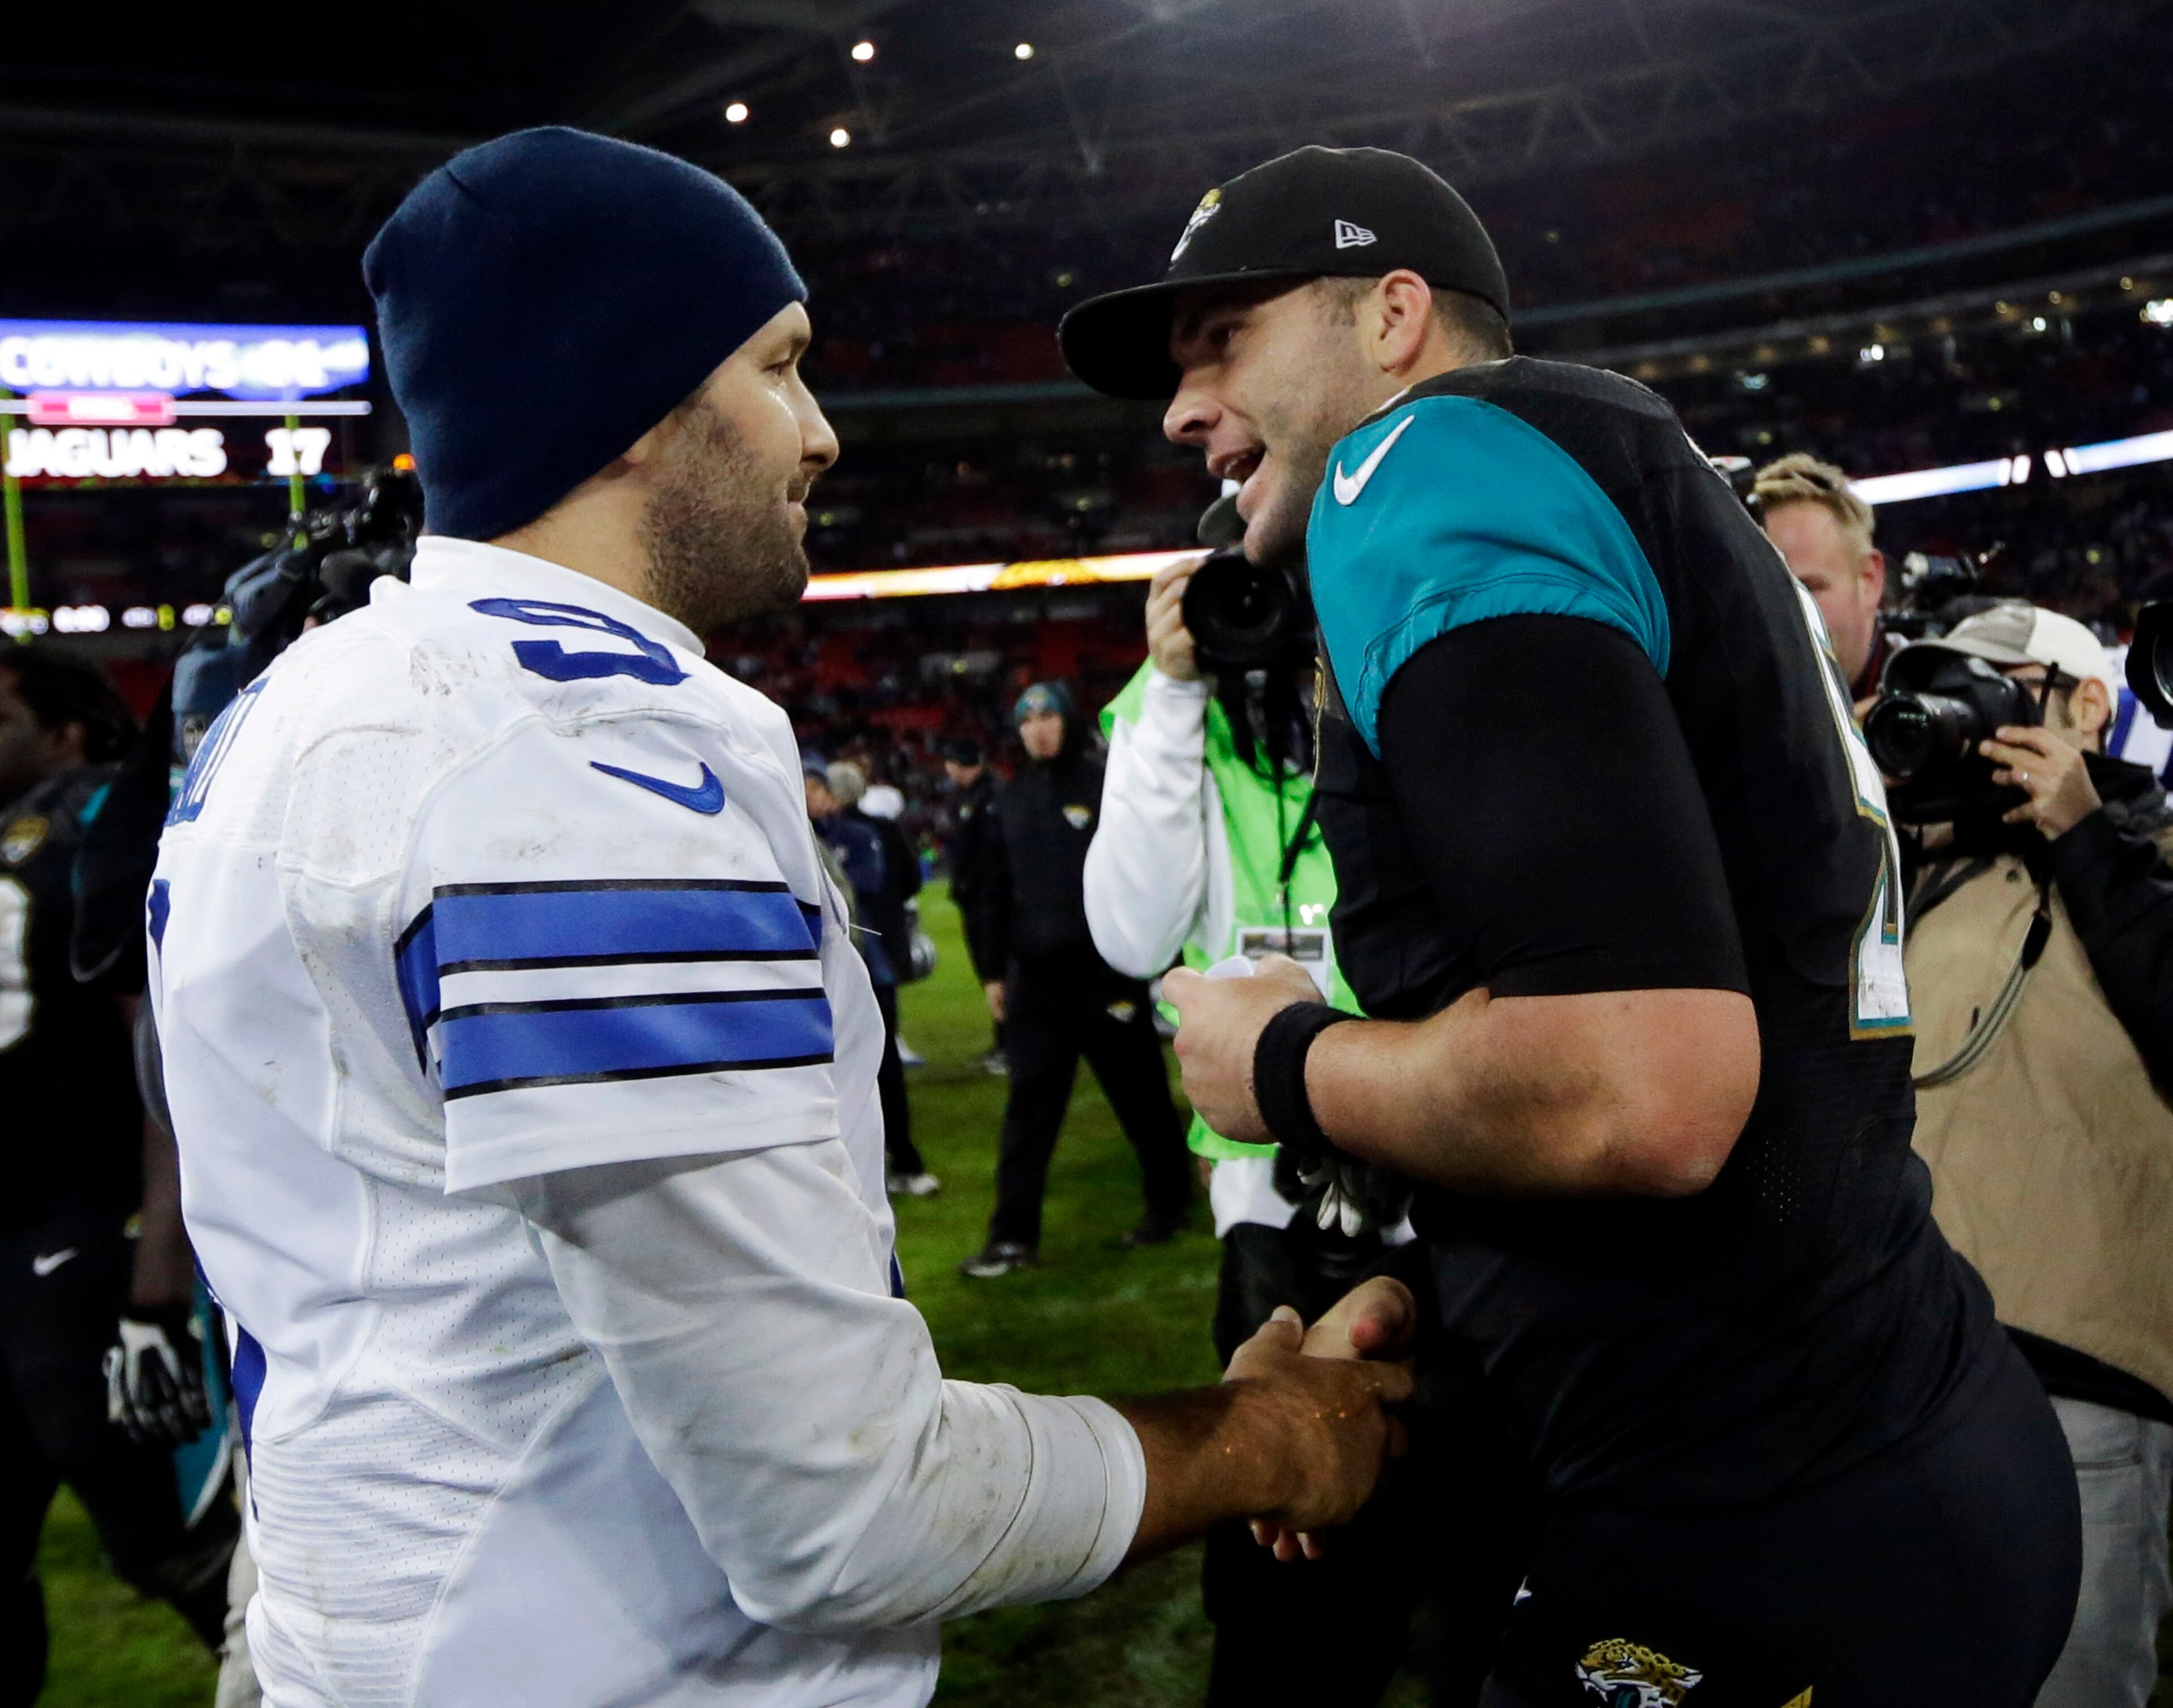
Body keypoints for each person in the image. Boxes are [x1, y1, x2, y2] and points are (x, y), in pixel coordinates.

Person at [149, 127, 1411, 1708]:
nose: (818, 434)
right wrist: (1264, 1440)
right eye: (779, 366)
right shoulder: (579, 761)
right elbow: (844, 1506)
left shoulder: (306, 706)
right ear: (623, 397)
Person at [1059, 142, 2080, 1703]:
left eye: (1226, 341)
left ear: (1394, 318)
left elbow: (1643, 1091)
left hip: (1756, 1513)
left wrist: (1281, 1064)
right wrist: (1461, 1309)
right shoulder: (1620, 459)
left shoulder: (1422, 471)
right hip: (1894, 1415)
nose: (1185, 407)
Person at [1084, 563, 1523, 1706]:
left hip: (1452, 1157)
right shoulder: (1178, 718)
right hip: (1275, 1196)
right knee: (1293, 1498)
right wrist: (1177, 687)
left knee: (1473, 1504)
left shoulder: (1412, 684)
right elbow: (1131, 933)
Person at [1883, 603, 2173, 1708]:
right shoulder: (1906, 878)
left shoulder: (2157, 852)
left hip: (2081, 1388)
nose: (1965, 715)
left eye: (1997, 687)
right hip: (1895, 1377)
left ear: (2087, 703)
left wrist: (2086, 833)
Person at [0, 649, 234, 1703]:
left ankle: (308, 1677)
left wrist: (158, 1264)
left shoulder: (99, 818)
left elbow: (166, 1052)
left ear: (69, 731)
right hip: (13, 1229)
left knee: (164, 1529)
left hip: (85, 1222)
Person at [956, 683, 1195, 1277]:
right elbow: (994, 892)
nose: (1038, 728)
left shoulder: (1105, 783)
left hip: (1107, 979)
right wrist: (992, 971)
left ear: (1068, 720)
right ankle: (1012, 1238)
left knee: (1144, 1104)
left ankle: (1170, 1209)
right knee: (1027, 1116)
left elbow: (1148, 870)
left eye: (1048, 716)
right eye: (1028, 718)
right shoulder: (1006, 799)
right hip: (1037, 986)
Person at [814, 757, 938, 1197]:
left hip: (869, 964)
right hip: (824, 973)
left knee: (882, 1068)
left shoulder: (859, 835)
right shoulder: (802, 838)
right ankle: (855, 1168)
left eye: (819, 787)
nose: (815, 796)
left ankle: (904, 1158)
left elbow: (865, 887)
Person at [1755, 452, 1893, 709]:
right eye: (1765, 596)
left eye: (1808, 589)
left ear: (1869, 581)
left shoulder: (1947, 698)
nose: (1787, 616)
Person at [941, 737, 1006, 1073]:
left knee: (998, 972)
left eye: (952, 762)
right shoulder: (970, 796)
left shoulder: (990, 796)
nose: (947, 769)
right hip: (975, 898)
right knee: (989, 973)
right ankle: (1004, 1042)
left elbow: (992, 854)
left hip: (989, 900)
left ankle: (1010, 1045)